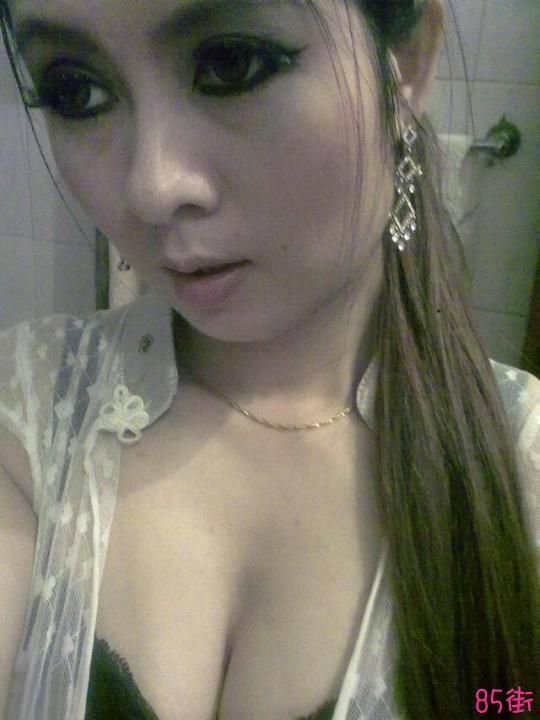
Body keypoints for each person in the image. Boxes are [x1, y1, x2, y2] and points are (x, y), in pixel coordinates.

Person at [0, 0, 538, 718]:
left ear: (407, 62)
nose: (151, 189)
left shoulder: (523, 476)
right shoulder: (28, 415)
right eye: (76, 91)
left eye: (232, 64)